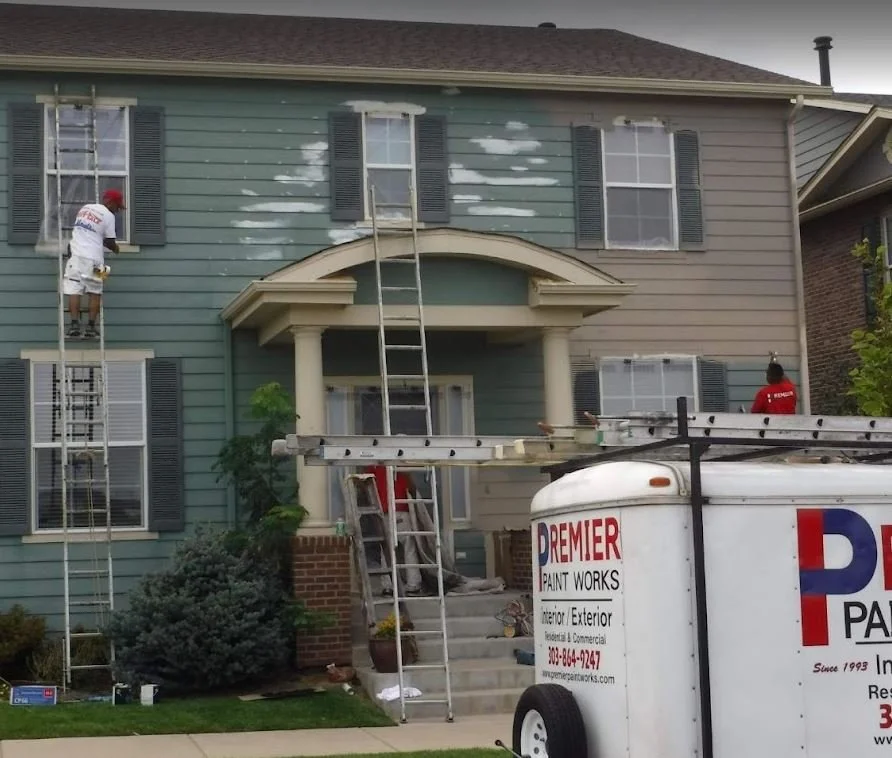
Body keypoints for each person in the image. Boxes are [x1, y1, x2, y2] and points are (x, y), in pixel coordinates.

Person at [62, 189, 124, 340]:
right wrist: (117, 249)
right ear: (110, 202)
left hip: (75, 256)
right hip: (96, 260)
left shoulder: (85, 209)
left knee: (74, 290)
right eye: (117, 206)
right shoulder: (108, 216)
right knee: (96, 292)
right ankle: (90, 327)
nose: (117, 210)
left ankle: (74, 326)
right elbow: (109, 242)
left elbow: (86, 232)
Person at [364, 464, 426, 597]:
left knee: (386, 551)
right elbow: (411, 486)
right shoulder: (401, 463)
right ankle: (413, 585)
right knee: (409, 548)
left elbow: (366, 484)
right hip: (401, 511)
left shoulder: (375, 466)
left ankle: (388, 587)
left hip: (384, 512)